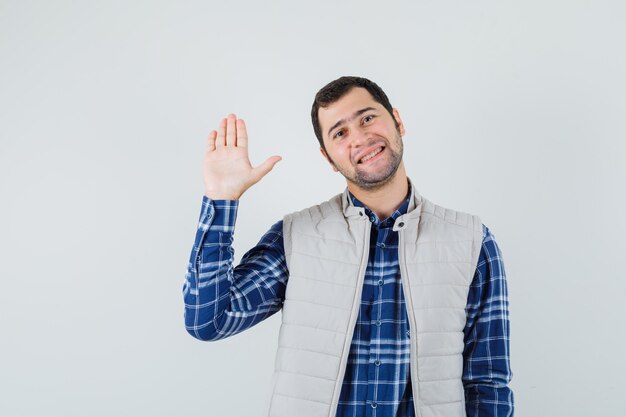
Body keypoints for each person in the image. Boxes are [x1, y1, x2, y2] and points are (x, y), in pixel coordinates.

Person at [182, 76, 514, 417]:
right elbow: (209, 320)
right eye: (340, 133)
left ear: (397, 121)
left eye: (367, 118)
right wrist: (221, 199)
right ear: (328, 157)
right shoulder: (296, 237)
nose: (360, 138)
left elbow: (487, 384)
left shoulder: (471, 241)